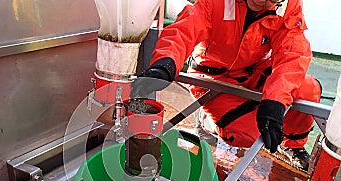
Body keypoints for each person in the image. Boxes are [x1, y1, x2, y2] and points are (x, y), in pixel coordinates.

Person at [131, 0, 322, 172]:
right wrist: (165, 65)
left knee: (308, 89)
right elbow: (184, 31)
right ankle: (207, 122)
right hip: (213, 78)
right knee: (248, 135)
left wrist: (275, 103)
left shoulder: (289, 6)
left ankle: (293, 145)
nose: (261, 1)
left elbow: (293, 55)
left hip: (254, 72)